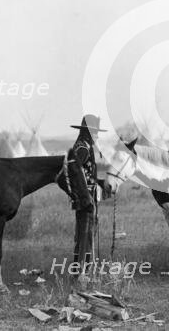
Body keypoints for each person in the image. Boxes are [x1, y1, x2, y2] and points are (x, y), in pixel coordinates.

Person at [70, 114, 107, 271]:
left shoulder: (83, 146)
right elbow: (75, 173)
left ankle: (85, 268)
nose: (97, 135)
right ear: (88, 132)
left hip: (88, 197)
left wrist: (101, 183)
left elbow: (88, 175)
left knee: (87, 232)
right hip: (85, 199)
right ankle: (81, 272)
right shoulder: (83, 149)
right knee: (85, 233)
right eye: (95, 132)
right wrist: (84, 194)